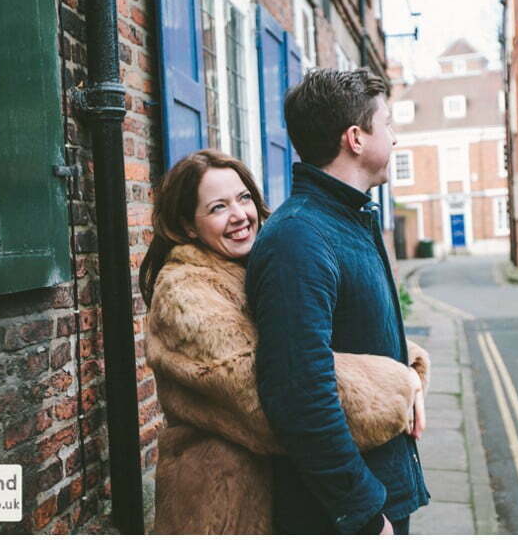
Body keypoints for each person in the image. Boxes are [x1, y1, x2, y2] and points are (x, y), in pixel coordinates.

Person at [139, 149, 430, 534]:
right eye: (218, 207)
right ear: (187, 226)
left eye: (244, 198)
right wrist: (398, 384)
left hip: (279, 495)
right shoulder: (186, 296)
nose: (240, 214)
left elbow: (310, 345)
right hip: (223, 508)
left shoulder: (253, 266)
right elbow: (280, 397)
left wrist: (407, 360)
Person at [246, 68, 430, 535]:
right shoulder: (299, 238)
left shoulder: (346, 219)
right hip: (342, 516)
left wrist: (407, 380)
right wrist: (363, 513)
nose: (395, 136)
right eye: (386, 124)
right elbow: (299, 393)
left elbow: (359, 336)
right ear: (356, 138)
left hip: (382, 489)